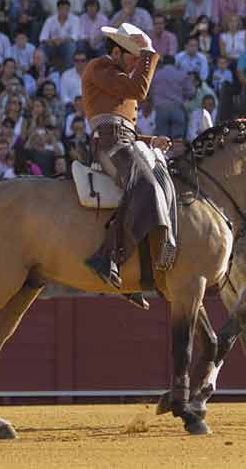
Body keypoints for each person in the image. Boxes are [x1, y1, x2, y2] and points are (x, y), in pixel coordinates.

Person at [81, 22, 172, 308]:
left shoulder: (115, 76)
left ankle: (131, 271)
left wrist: (150, 138)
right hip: (108, 146)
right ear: (117, 52)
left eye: (138, 58)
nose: (136, 63)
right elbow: (139, 90)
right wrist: (148, 52)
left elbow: (124, 128)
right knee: (143, 185)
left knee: (158, 182)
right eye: (132, 57)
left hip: (121, 142)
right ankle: (106, 257)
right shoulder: (100, 67)